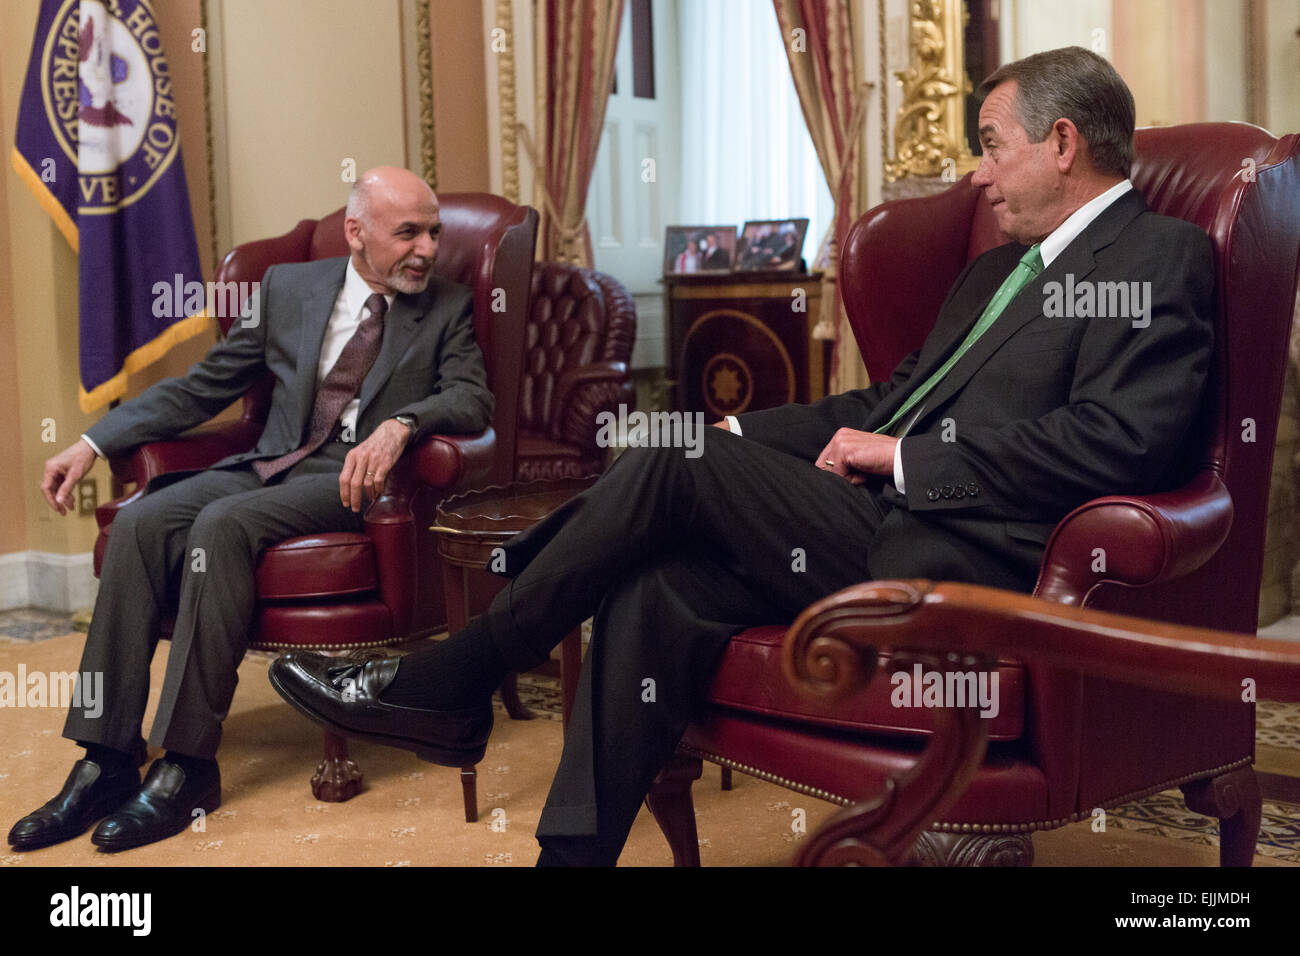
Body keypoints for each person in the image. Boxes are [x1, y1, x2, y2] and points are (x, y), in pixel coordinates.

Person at [269, 46, 1214, 866]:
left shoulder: (1157, 258)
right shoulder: (995, 275)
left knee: (672, 463)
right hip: (884, 524)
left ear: (1061, 144)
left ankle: (459, 673)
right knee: (660, 575)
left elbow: (1124, 441)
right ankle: (569, 857)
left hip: (977, 551)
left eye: (992, 144)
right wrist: (746, 435)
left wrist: (907, 463)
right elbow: (885, 404)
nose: (977, 174)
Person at [8, 167, 494, 853]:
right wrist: (92, 443)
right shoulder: (288, 289)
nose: (427, 249)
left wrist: (403, 423)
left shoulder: (444, 307)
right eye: (408, 232)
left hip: (349, 483)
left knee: (222, 525)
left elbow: (473, 399)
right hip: (265, 466)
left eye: (435, 232)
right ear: (357, 233)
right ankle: (104, 758)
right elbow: (201, 389)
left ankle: (186, 765)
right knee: (143, 522)